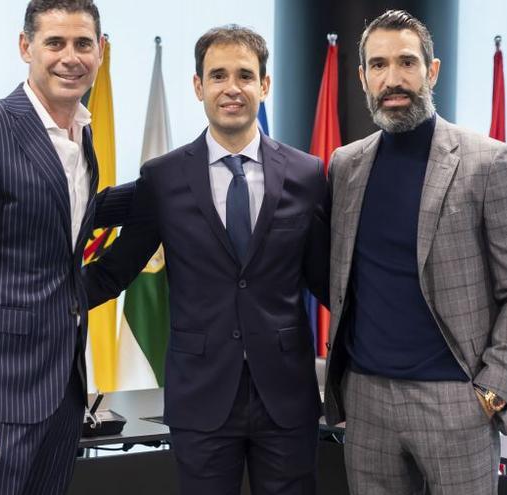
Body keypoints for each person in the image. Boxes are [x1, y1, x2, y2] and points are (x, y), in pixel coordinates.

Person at [83, 25, 329, 495]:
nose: (231, 88)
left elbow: (328, 279)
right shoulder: (163, 178)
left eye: (244, 75)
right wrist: (37, 303)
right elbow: (114, 271)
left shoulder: (307, 174)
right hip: (201, 398)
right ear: (198, 86)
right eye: (217, 76)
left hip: (286, 397)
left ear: (265, 85)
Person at [321, 10, 507, 495]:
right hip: (367, 399)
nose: (393, 78)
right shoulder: (345, 165)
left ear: (433, 70)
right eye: (378, 65)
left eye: (407, 62)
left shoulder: (490, 162)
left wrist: (493, 389)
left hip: (457, 401)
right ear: (362, 77)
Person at [0, 1, 130, 493]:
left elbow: (69, 219)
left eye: (83, 44)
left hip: (62, 393)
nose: (70, 57)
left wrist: (170, 183)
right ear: (25, 46)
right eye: (55, 43)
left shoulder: (80, 133)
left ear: (101, 51)